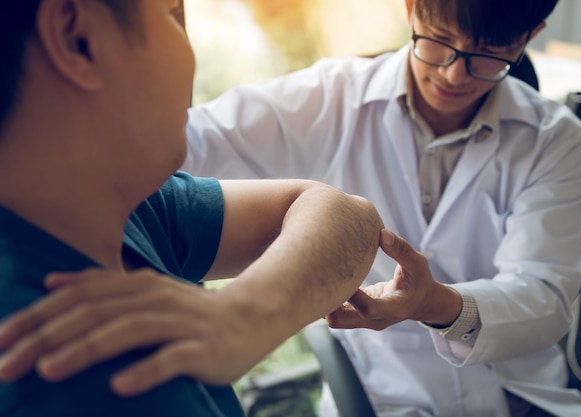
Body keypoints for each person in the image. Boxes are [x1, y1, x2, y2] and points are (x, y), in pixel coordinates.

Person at [180, 0, 581, 416]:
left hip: (522, 397)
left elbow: (546, 296)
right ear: (410, 9)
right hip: (387, 399)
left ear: (529, 38)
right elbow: (190, 144)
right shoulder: (332, 97)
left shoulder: (555, 140)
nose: (453, 74)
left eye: (488, 53)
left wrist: (434, 302)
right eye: (439, 41)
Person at [0, 1, 383, 416]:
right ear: (78, 39)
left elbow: (347, 217)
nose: (191, 54)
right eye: (172, 15)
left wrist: (241, 317)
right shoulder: (82, 369)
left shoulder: (124, 209)